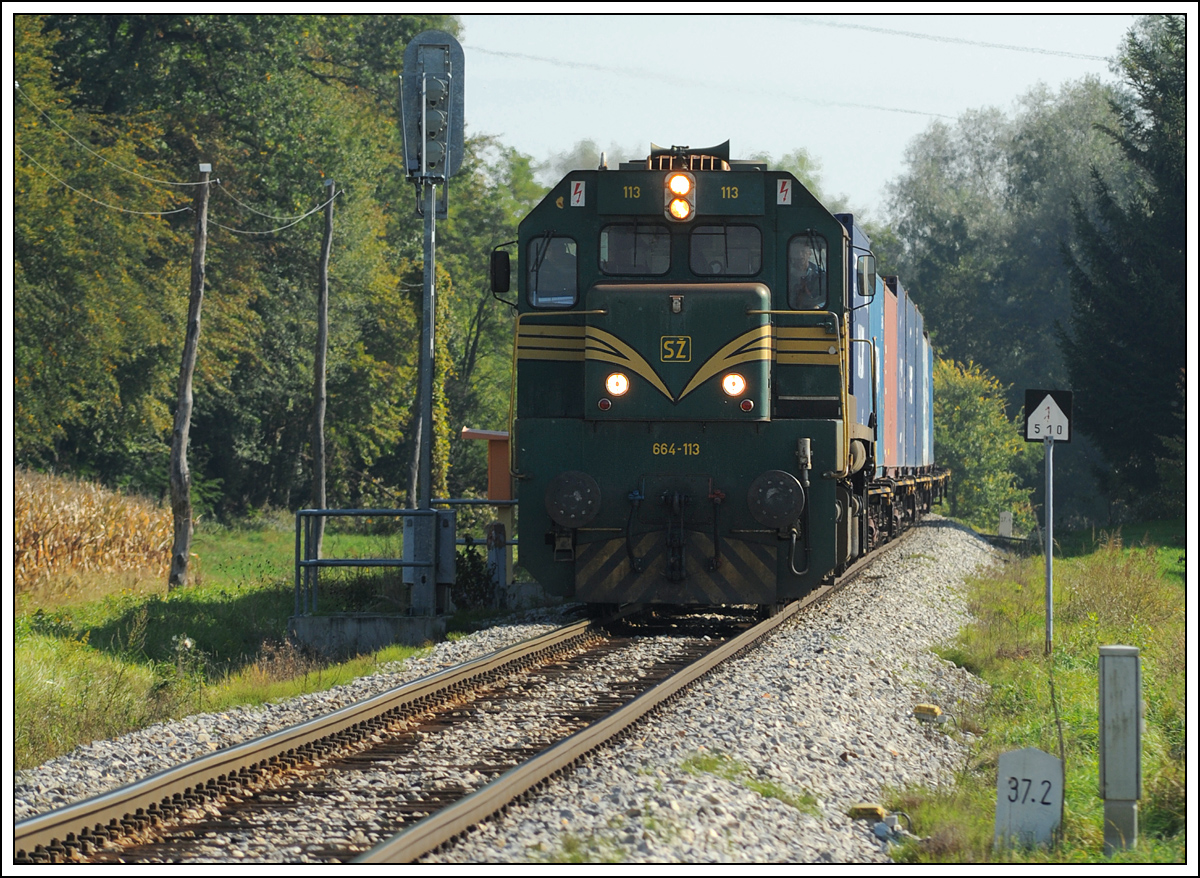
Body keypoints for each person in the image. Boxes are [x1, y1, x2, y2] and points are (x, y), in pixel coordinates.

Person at [789, 237, 826, 309]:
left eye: (803, 252)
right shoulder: (784, 275)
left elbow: (828, 297)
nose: (800, 255)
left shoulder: (820, 275)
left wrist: (819, 306)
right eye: (796, 252)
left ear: (809, 253)